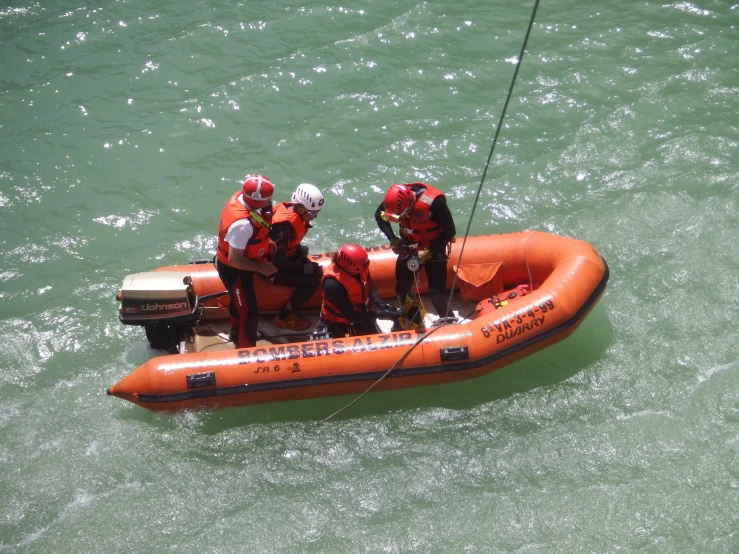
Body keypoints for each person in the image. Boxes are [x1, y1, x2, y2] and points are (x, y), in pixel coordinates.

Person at [374, 182, 456, 317]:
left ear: (410, 204)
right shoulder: (393, 201)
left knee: (436, 294)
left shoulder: (435, 203)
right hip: (409, 246)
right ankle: (413, 319)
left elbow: (450, 230)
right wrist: (393, 239)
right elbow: (379, 215)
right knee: (401, 288)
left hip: (434, 248)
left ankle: (449, 320)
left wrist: (430, 251)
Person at [215, 174, 278, 348]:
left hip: (240, 266)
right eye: (266, 200)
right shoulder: (242, 225)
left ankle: (236, 332)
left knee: (239, 302)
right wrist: (261, 268)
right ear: (256, 201)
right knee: (249, 313)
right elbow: (234, 259)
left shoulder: (242, 199)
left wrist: (267, 241)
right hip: (234, 270)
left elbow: (256, 231)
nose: (268, 203)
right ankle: (246, 351)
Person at [269, 183, 324, 331]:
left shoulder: (293, 214)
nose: (315, 216)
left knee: (305, 254)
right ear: (300, 208)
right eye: (312, 213)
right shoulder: (283, 229)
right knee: (312, 282)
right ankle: (284, 316)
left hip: (284, 257)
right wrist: (305, 269)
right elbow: (278, 263)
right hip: (269, 269)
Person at [319, 244, 402, 337]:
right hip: (338, 321)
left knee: (373, 342)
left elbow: (368, 280)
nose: (364, 271)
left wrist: (378, 301)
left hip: (360, 313)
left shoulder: (359, 268)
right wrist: (382, 314)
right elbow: (351, 316)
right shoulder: (332, 283)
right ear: (349, 267)